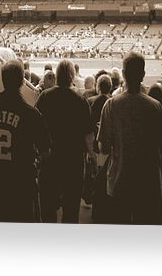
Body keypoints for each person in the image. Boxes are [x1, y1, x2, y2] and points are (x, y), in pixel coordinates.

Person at [96, 52, 162, 224]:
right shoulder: (155, 107)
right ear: (143, 75)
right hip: (147, 184)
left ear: (123, 74)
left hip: (119, 182)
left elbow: (104, 148)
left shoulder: (111, 105)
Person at [0, 59, 48, 222]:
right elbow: (45, 152)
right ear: (22, 82)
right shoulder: (31, 114)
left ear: (3, 80)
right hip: (23, 184)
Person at [35, 59, 96, 223]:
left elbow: (35, 126)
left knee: (47, 210)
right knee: (71, 211)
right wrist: (94, 159)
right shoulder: (80, 100)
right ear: (72, 76)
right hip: (73, 163)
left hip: (50, 160)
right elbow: (88, 135)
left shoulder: (45, 96)